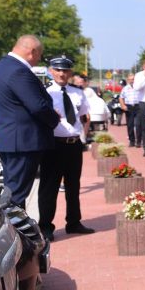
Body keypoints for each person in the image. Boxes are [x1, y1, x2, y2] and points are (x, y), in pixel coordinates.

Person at [0, 35, 60, 206]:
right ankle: (15, 232)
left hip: (11, 138)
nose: (38, 60)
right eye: (39, 55)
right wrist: (54, 119)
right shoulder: (18, 70)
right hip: (23, 141)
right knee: (16, 196)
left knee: (12, 190)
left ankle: (14, 230)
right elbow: (37, 106)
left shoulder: (0, 67)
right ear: (32, 51)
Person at [37, 54, 94, 239]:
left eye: (65, 70)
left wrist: (83, 138)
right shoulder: (44, 92)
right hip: (53, 146)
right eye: (58, 70)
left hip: (73, 144)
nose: (62, 73)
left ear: (70, 72)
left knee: (73, 185)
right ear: (51, 71)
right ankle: (45, 227)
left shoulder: (78, 92)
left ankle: (74, 222)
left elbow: (84, 116)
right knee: (49, 188)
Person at [119, 73, 141, 146]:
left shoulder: (138, 87)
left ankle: (138, 141)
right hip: (129, 107)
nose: (132, 81)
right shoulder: (125, 88)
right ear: (128, 80)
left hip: (138, 107)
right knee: (130, 125)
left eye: (133, 79)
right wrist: (123, 105)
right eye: (130, 79)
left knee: (138, 124)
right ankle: (132, 141)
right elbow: (121, 97)